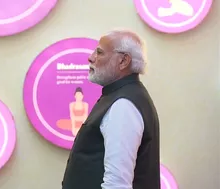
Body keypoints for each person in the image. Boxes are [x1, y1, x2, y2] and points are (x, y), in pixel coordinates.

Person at [61, 30, 160, 189]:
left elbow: (117, 183)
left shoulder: (124, 104)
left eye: (99, 52)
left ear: (123, 61)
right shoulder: (122, 96)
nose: (91, 57)